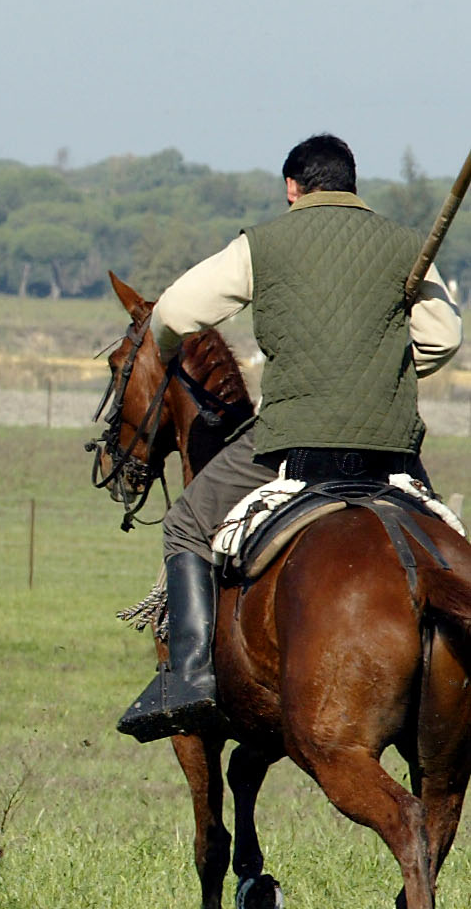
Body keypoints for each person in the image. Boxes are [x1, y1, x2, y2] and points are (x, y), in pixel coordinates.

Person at [118, 133, 463, 742]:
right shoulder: (406, 245)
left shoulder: (264, 244)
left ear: (292, 189)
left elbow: (172, 313)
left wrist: (166, 351)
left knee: (185, 524)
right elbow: (444, 339)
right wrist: (380, 366)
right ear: (352, 185)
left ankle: (190, 679)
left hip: (294, 443)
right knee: (442, 537)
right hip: (391, 450)